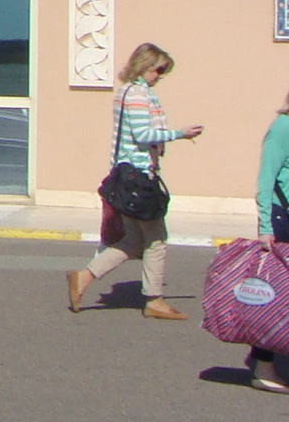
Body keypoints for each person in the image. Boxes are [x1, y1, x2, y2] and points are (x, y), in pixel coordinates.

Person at [67, 41, 203, 320]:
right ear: (145, 65)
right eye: (159, 70)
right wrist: (179, 133)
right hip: (139, 179)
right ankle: (153, 300)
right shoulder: (139, 94)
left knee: (132, 242)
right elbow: (142, 134)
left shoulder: (125, 92)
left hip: (128, 177)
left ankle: (83, 278)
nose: (160, 76)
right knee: (156, 240)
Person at [241, 68, 289, 393]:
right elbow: (265, 181)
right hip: (285, 220)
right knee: (276, 295)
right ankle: (264, 369)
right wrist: (265, 227)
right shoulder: (285, 128)